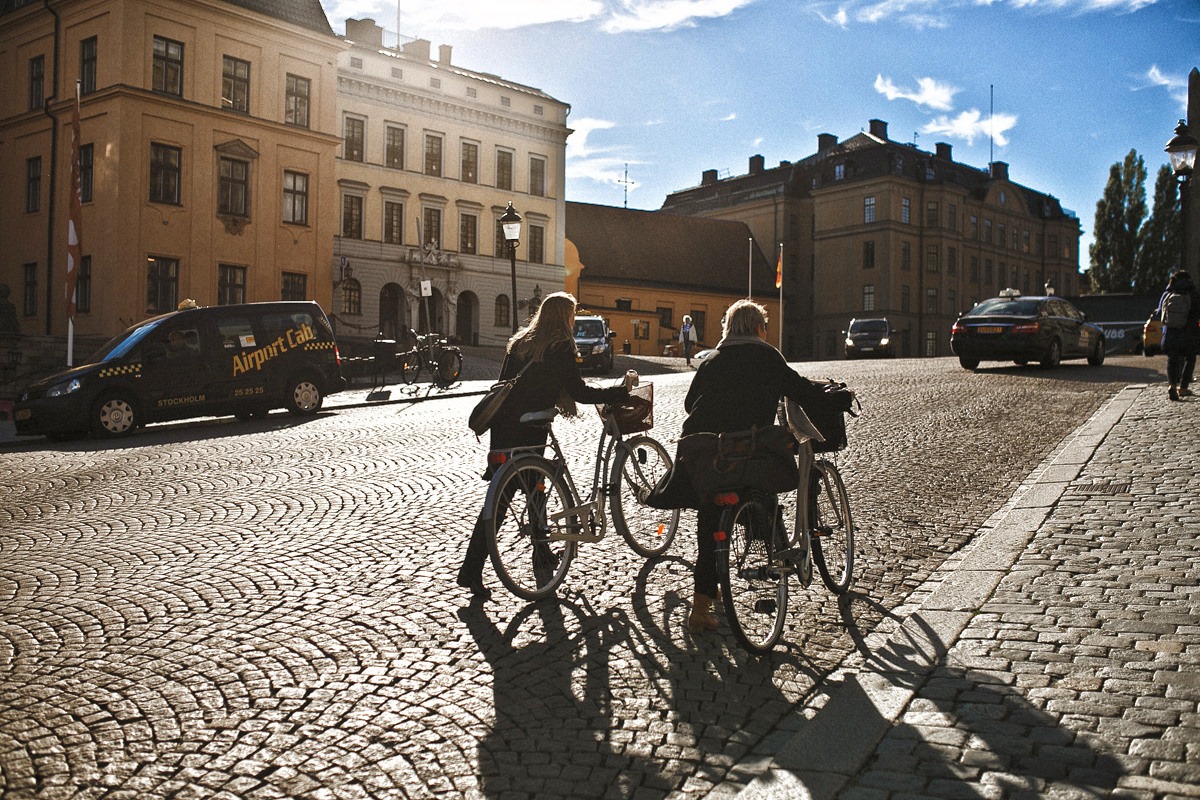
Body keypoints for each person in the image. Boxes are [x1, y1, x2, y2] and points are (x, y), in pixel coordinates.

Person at [649, 299, 854, 633]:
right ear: (759, 328)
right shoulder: (767, 356)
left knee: (708, 522)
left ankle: (700, 610)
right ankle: (771, 556)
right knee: (762, 488)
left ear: (728, 328)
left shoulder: (711, 359)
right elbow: (800, 390)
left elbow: (689, 405)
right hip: (748, 450)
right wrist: (835, 397)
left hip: (707, 454)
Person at [457, 292, 629, 601]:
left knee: (528, 491)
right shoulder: (559, 347)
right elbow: (579, 392)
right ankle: (472, 570)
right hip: (531, 428)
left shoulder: (519, 343)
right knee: (519, 493)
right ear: (564, 317)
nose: (573, 321)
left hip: (504, 429)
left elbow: (502, 387)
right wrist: (616, 395)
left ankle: (540, 554)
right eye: (572, 315)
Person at [1158, 270, 1200, 401]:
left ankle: (1171, 384)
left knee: (1172, 359)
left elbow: (1160, 312)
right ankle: (1183, 387)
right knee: (1190, 359)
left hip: (1171, 333)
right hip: (1189, 333)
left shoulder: (1167, 294)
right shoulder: (1194, 294)